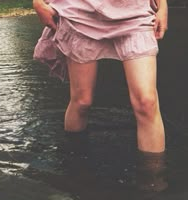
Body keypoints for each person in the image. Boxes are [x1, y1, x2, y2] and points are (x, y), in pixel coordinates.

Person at [33, 0, 168, 154]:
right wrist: (38, 3)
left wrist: (163, 7)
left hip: (135, 13)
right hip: (80, 12)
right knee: (82, 102)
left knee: (147, 103)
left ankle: (154, 176)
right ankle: (74, 166)